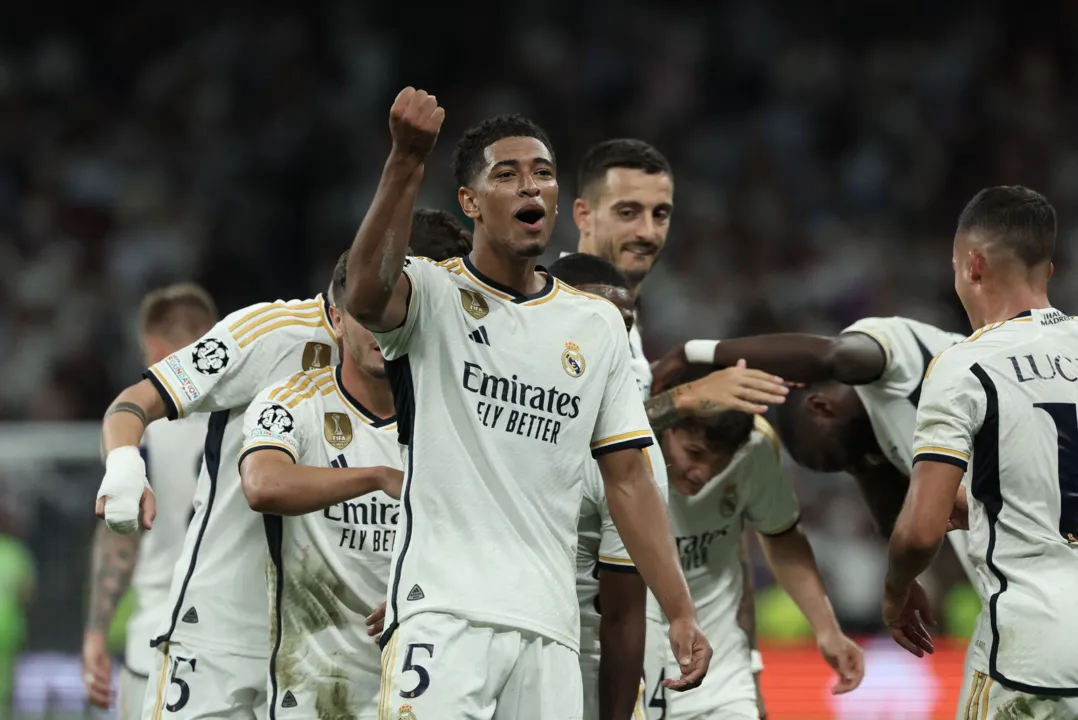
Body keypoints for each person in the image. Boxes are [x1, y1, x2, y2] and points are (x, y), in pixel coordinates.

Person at [345, 87, 712, 718]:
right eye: (507, 174)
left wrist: (679, 610)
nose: (530, 187)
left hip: (549, 632)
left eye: (542, 173)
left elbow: (629, 480)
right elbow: (365, 296)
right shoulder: (432, 294)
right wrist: (405, 162)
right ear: (470, 202)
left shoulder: (595, 324)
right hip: (443, 617)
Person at [92, 207, 476, 720]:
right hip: (222, 638)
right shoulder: (274, 334)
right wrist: (123, 467)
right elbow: (136, 401)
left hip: (328, 656)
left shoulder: (437, 361)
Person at [572, 139, 785, 716]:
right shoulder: (552, 311)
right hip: (560, 623)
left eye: (659, 213)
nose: (647, 230)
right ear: (583, 214)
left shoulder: (631, 339)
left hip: (623, 626)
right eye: (628, 211)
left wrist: (747, 662)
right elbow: (563, 438)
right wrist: (688, 398)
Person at [884, 186, 1078, 717]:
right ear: (1048, 272)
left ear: (972, 265)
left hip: (1030, 657)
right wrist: (994, 506)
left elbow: (920, 531)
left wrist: (895, 592)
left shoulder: (963, 364)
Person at [648, 314, 979, 584]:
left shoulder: (899, 353)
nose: (858, 465)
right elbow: (890, 522)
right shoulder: (892, 434)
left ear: (821, 408)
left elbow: (835, 355)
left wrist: (693, 352)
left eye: (840, 459)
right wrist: (902, 582)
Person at [238, 250, 404, 720]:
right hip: (317, 689)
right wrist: (375, 477)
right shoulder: (292, 402)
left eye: (389, 312)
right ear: (336, 318)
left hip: (428, 682)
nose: (379, 327)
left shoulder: (447, 413)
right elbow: (262, 483)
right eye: (364, 312)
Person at [652, 363, 865, 720]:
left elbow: (780, 536)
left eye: (719, 462)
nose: (703, 474)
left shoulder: (755, 446)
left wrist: (827, 629)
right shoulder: (625, 445)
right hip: (625, 654)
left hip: (720, 671)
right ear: (668, 426)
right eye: (694, 453)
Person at [82, 284, 217, 719]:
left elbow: (121, 534)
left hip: (161, 637)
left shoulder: (141, 430)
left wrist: (96, 633)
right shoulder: (263, 415)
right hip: (243, 640)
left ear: (156, 349)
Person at [548, 252, 666, 720]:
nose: (614, 341)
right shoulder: (495, 407)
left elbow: (622, 615)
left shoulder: (635, 453)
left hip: (583, 675)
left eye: (625, 326)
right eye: (598, 321)